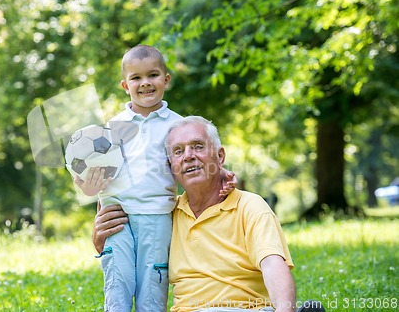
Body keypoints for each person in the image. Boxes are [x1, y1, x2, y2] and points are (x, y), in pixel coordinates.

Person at [93, 116, 326, 312]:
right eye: (178, 151)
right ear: (170, 167)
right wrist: (101, 241)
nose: (188, 156)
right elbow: (136, 263)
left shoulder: (249, 206)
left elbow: (273, 265)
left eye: (198, 146)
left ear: (220, 157)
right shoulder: (165, 215)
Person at [72, 45, 237, 312]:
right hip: (117, 217)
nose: (145, 83)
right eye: (136, 78)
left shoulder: (178, 126)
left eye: (153, 75)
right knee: (118, 283)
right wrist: (84, 184)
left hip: (158, 217)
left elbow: (199, 160)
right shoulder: (111, 129)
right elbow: (86, 175)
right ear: (125, 85)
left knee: (152, 285)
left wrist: (223, 175)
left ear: (166, 80)